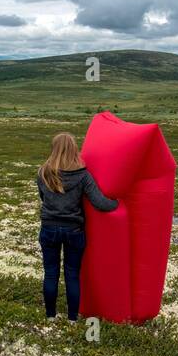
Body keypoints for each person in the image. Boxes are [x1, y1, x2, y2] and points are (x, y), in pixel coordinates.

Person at [36, 131, 118, 321]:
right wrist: (119, 204)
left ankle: (50, 316)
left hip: (49, 228)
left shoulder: (43, 172)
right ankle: (72, 319)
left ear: (54, 149)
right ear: (74, 149)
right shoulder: (83, 175)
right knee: (72, 274)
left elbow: (43, 198)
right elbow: (101, 203)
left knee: (50, 273)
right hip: (74, 230)